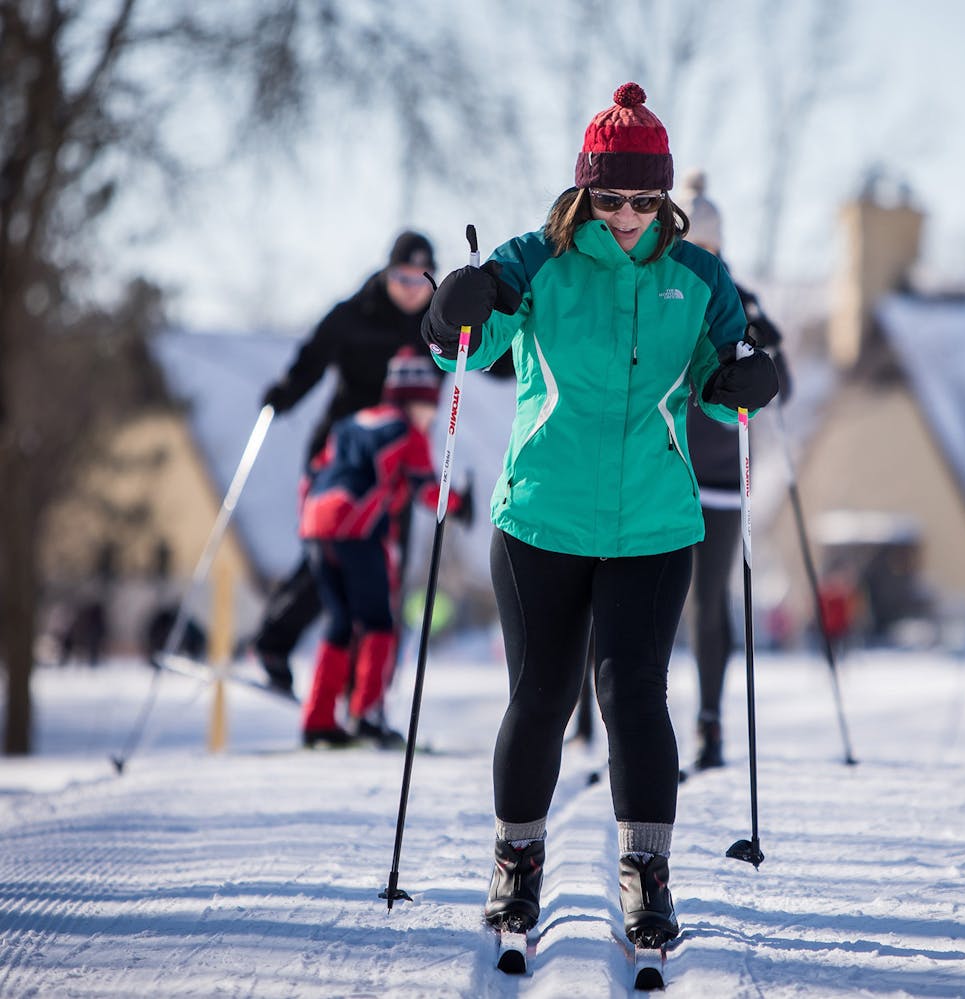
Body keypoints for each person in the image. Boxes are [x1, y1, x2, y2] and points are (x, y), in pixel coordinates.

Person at [420, 83, 779, 947]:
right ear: (584, 189)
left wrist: (747, 383)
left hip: (653, 525)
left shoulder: (697, 276)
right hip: (542, 516)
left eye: (645, 199)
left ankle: (647, 875)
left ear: (665, 200)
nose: (626, 214)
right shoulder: (534, 259)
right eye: (611, 196)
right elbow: (459, 347)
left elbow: (727, 369)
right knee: (542, 694)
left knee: (633, 696)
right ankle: (516, 860)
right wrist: (453, 306)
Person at [252, 231, 468, 693]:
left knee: (384, 572)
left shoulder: (437, 318)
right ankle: (275, 641)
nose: (411, 288)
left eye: (421, 278)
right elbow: (312, 359)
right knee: (332, 552)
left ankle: (367, 693)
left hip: (399, 465)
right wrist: (285, 394)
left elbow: (486, 353)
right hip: (342, 456)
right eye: (402, 277)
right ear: (388, 274)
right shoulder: (356, 313)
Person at [296, 350, 471, 748]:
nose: (431, 414)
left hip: (315, 526)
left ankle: (318, 720)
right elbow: (429, 490)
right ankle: (368, 715)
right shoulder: (408, 432)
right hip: (359, 528)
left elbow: (314, 473)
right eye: (429, 404)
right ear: (413, 400)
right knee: (378, 623)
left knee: (340, 622)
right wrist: (461, 505)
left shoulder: (349, 423)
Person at [678, 170, 793, 770]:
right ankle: (607, 726)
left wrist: (767, 347)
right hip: (664, 467)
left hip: (720, 478)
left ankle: (710, 723)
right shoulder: (662, 289)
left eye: (708, 247)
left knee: (707, 603)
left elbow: (782, 389)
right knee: (641, 597)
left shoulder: (737, 298)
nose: (700, 256)